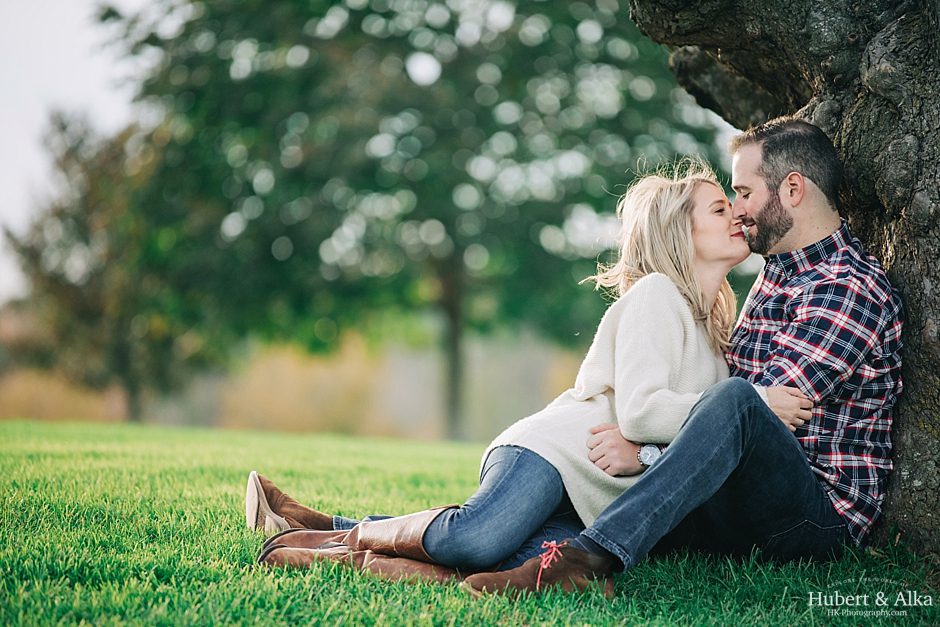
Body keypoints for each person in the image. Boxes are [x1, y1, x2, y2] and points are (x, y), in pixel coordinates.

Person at [247, 161, 795, 582]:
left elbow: (687, 445)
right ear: (680, 231)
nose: (739, 217)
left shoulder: (713, 332)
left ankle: (336, 542)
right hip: (556, 455)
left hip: (593, 501)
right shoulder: (658, 297)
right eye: (720, 208)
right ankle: (336, 534)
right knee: (476, 541)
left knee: (518, 569)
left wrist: (648, 452)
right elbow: (642, 410)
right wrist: (759, 402)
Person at [460, 116, 904, 596]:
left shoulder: (845, 289)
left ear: (792, 189)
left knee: (739, 398)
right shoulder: (775, 275)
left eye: (744, 192)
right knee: (548, 519)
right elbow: (724, 421)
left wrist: (648, 455)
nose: (738, 209)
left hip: (811, 519)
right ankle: (437, 559)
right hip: (732, 503)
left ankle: (594, 560)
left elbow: (758, 420)